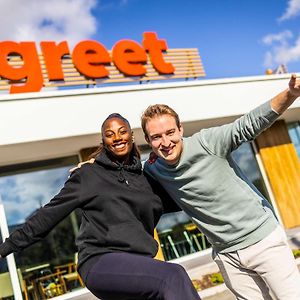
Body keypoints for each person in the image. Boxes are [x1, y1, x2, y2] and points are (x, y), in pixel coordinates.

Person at [0, 113, 201, 300]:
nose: (117, 137)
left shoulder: (146, 180)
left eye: (122, 131)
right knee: (173, 276)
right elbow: (48, 216)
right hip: (100, 261)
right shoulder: (88, 175)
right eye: (109, 134)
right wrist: (4, 248)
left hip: (141, 264)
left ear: (131, 136)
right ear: (103, 141)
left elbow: (185, 198)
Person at [141, 74, 300, 300]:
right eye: (156, 137)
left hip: (263, 240)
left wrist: (291, 93)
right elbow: (120, 168)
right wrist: (90, 165)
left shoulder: (208, 142)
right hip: (227, 255)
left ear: (180, 129)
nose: (165, 143)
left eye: (170, 133)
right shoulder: (152, 166)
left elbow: (248, 124)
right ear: (148, 141)